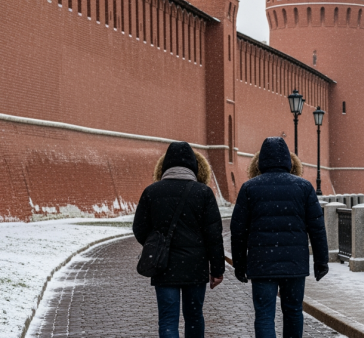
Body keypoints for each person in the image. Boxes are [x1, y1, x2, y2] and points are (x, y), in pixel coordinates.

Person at [231, 137, 329, 338]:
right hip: (294, 264)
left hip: (261, 265)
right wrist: (321, 262)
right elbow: (317, 228)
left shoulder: (249, 188)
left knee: (265, 315)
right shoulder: (304, 187)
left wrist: (240, 265)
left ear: (260, 162)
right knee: (293, 312)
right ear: (289, 161)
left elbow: (238, 230)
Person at [133, 142, 225, 338]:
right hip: (195, 267)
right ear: (194, 165)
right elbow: (214, 235)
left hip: (163, 266)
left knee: (168, 319)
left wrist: (156, 247)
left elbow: (139, 228)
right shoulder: (203, 193)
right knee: (194, 317)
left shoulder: (152, 192)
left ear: (165, 165)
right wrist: (217, 270)